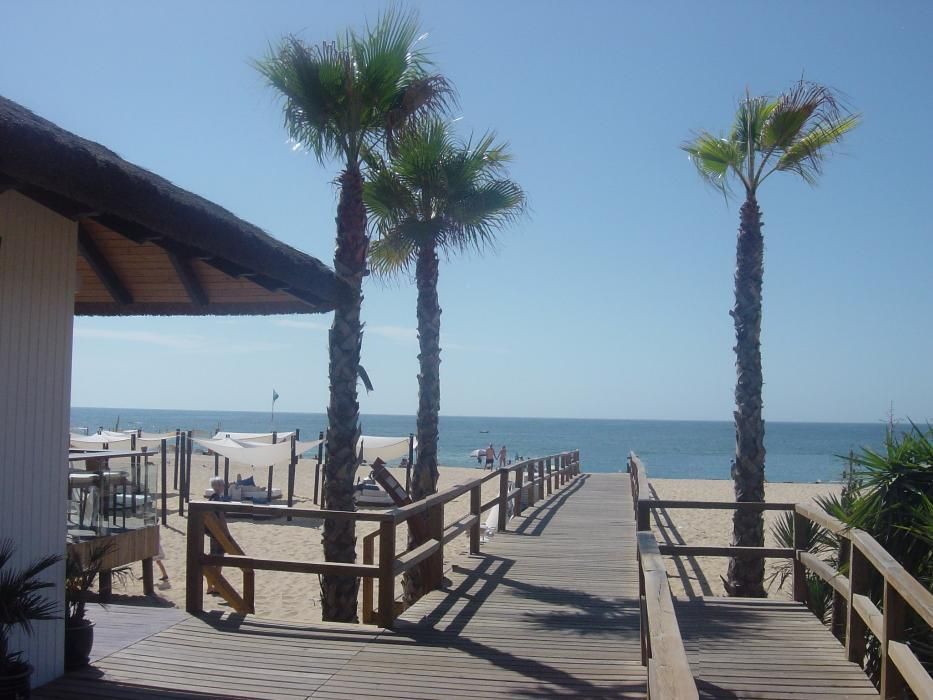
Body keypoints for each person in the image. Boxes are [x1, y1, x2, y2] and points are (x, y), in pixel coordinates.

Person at [205, 476, 231, 595]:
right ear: (217, 486)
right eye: (221, 485)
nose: (223, 486)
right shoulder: (218, 499)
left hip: (212, 532)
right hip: (218, 533)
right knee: (218, 559)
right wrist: (226, 532)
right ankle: (215, 585)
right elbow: (221, 518)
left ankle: (211, 585)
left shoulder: (211, 498)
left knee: (214, 559)